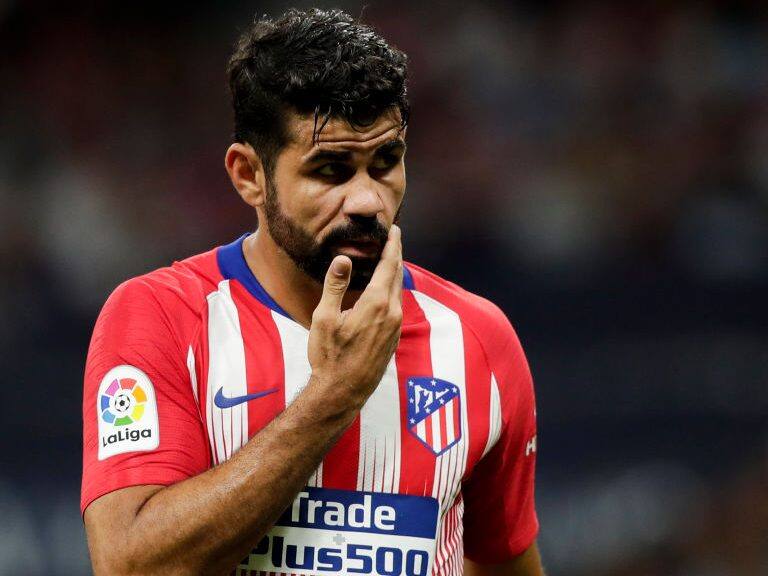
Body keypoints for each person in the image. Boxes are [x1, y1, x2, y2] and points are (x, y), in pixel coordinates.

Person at [81, 8, 543, 576]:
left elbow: (503, 562)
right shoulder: (161, 317)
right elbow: (132, 566)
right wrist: (333, 396)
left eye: (386, 162)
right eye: (331, 170)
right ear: (249, 174)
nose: (369, 201)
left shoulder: (478, 340)